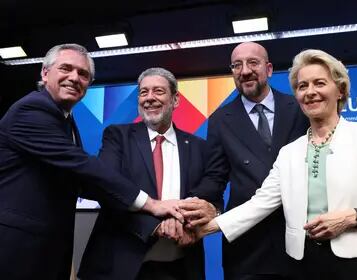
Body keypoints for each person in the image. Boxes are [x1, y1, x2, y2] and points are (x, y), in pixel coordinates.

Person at [196, 49, 357, 280]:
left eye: (319, 83)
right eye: (302, 87)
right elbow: (259, 204)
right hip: (306, 266)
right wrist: (204, 229)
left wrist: (354, 217)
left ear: (340, 90)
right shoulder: (289, 152)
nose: (310, 92)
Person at [0, 44, 182, 280]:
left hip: (46, 247)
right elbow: (84, 168)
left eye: (83, 74)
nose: (74, 78)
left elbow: (81, 181)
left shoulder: (64, 118)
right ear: (45, 73)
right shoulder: (32, 110)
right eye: (66, 68)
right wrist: (152, 205)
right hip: (18, 248)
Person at [180, 41, 309, 280]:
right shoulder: (220, 119)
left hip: (298, 233)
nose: (245, 71)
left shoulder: (299, 108)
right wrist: (198, 203)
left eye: (253, 63)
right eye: (236, 65)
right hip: (247, 241)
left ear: (268, 69)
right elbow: (215, 176)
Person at [78, 67, 206, 280]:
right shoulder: (117, 136)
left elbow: (207, 195)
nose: (149, 98)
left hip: (181, 267)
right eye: (143, 92)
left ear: (175, 100)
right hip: (122, 266)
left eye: (158, 91)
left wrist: (186, 223)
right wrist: (157, 226)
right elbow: (108, 189)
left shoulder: (199, 147)